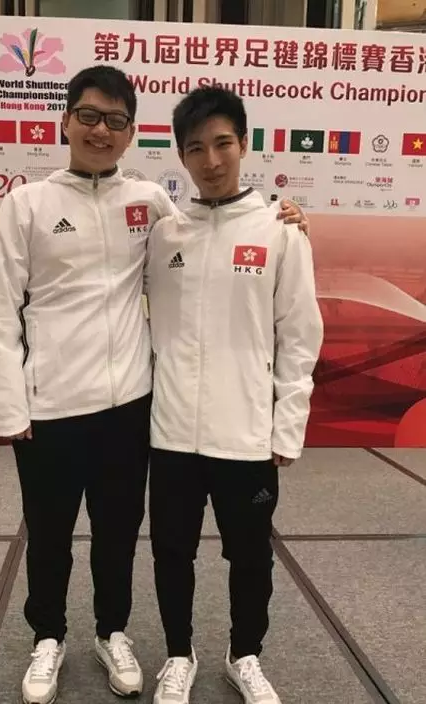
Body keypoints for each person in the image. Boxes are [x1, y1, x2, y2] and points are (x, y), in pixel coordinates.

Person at [0, 66, 306, 704]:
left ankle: (112, 631)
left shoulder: (152, 203)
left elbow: (212, 236)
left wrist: (284, 219)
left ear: (131, 133)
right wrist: (10, 407)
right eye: (89, 116)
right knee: (48, 534)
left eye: (116, 121)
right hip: (48, 407)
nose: (101, 130)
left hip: (129, 406)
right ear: (65, 121)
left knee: (119, 534)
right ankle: (48, 636)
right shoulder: (27, 205)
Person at [145, 87, 324, 704]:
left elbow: (299, 336)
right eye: (196, 148)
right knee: (171, 552)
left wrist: (287, 427)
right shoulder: (164, 234)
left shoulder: (280, 231)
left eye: (223, 143)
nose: (212, 160)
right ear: (182, 156)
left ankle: (244, 655)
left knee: (250, 557)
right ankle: (178, 654)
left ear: (244, 144)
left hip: (245, 434)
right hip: (171, 432)